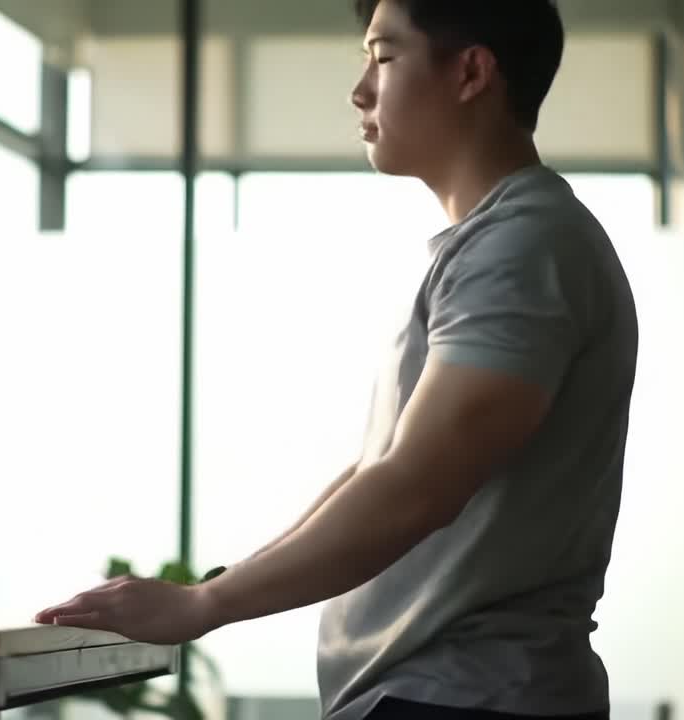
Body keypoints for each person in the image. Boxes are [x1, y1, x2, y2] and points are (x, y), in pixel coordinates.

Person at [35, 1, 638, 718]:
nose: (360, 90)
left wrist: (207, 605)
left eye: (383, 57)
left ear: (472, 72)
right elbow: (383, 466)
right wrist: (212, 592)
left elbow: (418, 485)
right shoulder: (496, 244)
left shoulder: (523, 247)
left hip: (467, 697)